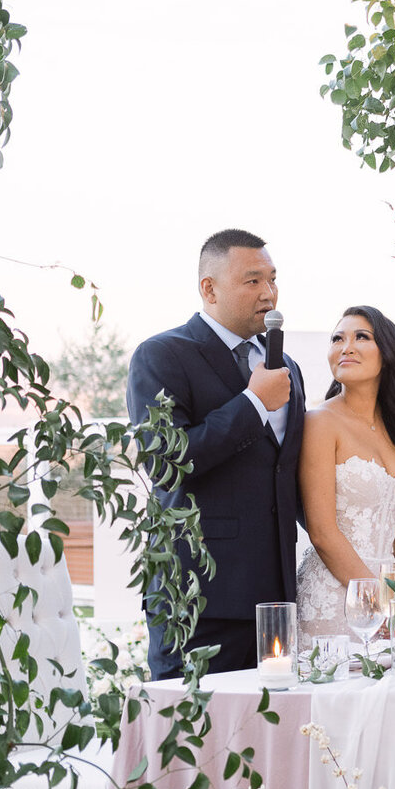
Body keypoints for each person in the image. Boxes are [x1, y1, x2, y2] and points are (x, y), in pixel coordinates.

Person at [127, 229, 306, 678]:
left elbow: (288, 472)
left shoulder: (288, 368)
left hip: (277, 603)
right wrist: (252, 404)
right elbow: (166, 462)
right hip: (198, 600)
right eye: (252, 281)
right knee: (195, 739)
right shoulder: (161, 355)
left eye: (272, 279)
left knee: (270, 741)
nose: (268, 293)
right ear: (209, 288)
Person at [296, 305, 395, 639]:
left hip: (391, 598)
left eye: (361, 337)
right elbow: (321, 531)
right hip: (335, 596)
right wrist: (375, 603)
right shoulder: (319, 423)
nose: (345, 346)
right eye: (337, 338)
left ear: (387, 353)